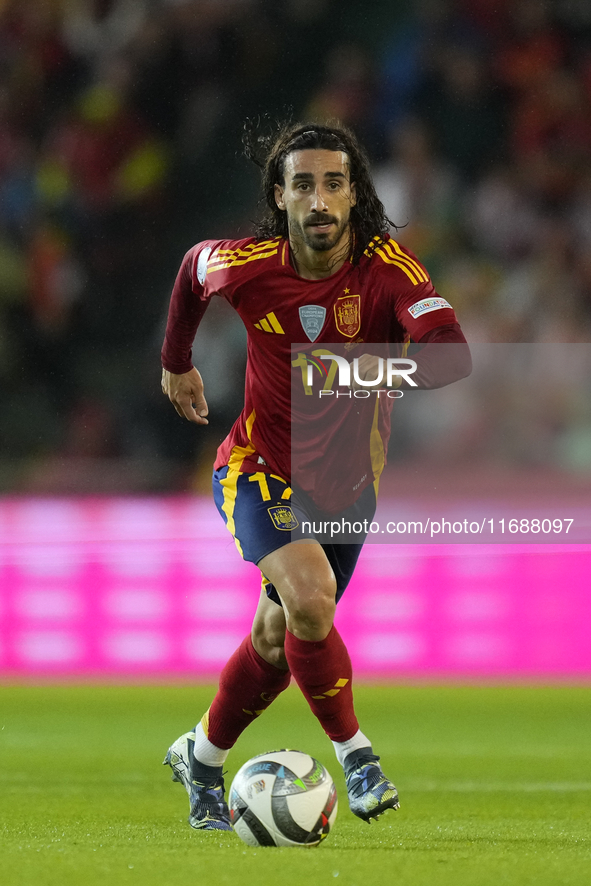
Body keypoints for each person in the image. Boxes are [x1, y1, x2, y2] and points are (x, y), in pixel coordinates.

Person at [160, 122, 471, 832]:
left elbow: (452, 359)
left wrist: (358, 368)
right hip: (257, 469)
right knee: (309, 597)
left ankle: (201, 757)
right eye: (303, 184)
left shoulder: (389, 270)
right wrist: (176, 361)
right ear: (280, 196)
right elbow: (189, 268)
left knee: (278, 639)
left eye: (334, 183)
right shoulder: (244, 265)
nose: (320, 200)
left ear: (356, 193)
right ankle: (357, 758)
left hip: (348, 490)